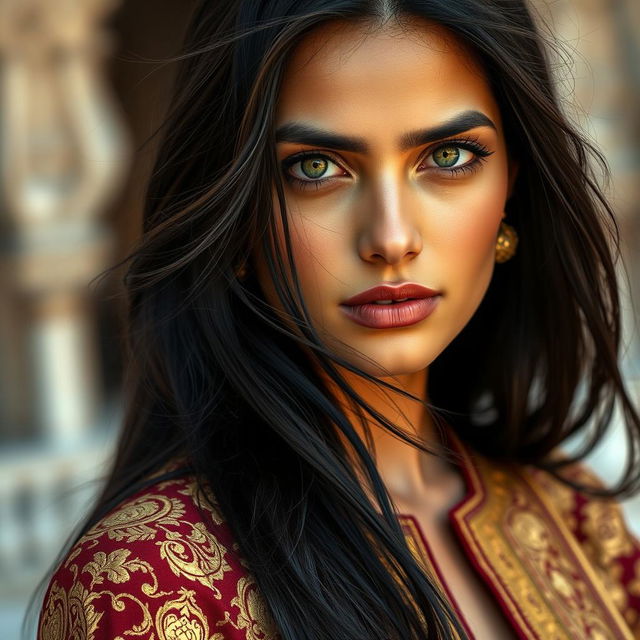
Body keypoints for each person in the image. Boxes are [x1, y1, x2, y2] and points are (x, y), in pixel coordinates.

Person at [32, 1, 640, 639]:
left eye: (451, 157)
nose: (392, 237)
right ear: (234, 217)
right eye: (315, 168)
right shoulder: (145, 583)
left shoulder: (572, 513)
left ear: (513, 181)